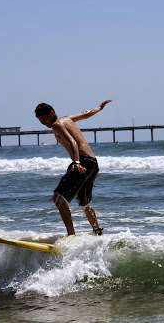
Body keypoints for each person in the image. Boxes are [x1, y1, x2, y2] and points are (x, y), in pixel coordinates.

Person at [35, 100, 112, 236]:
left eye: (45, 119)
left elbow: (73, 142)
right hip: (93, 163)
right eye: (41, 121)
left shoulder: (56, 125)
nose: (44, 123)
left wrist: (76, 162)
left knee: (58, 199)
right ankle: (97, 231)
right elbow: (85, 114)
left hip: (82, 161)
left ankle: (71, 235)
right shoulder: (68, 119)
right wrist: (99, 108)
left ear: (52, 113)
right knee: (84, 202)